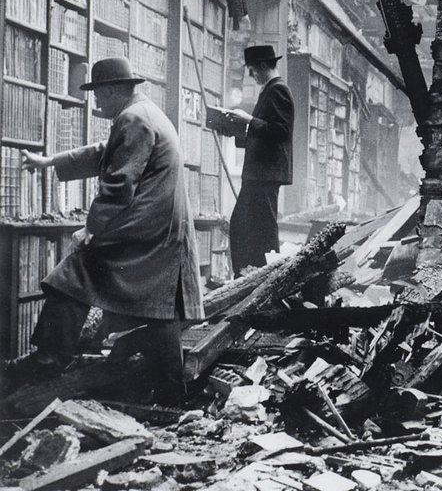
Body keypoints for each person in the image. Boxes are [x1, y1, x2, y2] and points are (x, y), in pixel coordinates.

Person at [2, 57, 204, 399]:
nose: (96, 102)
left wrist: (92, 229)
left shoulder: (133, 118)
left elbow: (118, 183)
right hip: (162, 229)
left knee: (71, 276)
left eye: (98, 94)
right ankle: (173, 393)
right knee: (160, 309)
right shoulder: (143, 112)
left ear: (113, 90)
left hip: (147, 230)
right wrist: (51, 161)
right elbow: (105, 152)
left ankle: (49, 359)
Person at [223, 45, 294, 275]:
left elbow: (282, 131)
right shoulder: (270, 90)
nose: (251, 76)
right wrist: (235, 129)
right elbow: (265, 134)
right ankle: (248, 274)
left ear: (263, 66)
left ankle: (266, 277)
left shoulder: (278, 90)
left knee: (259, 228)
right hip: (260, 174)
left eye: (253, 70)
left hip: (265, 174)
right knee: (246, 227)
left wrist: (249, 119)